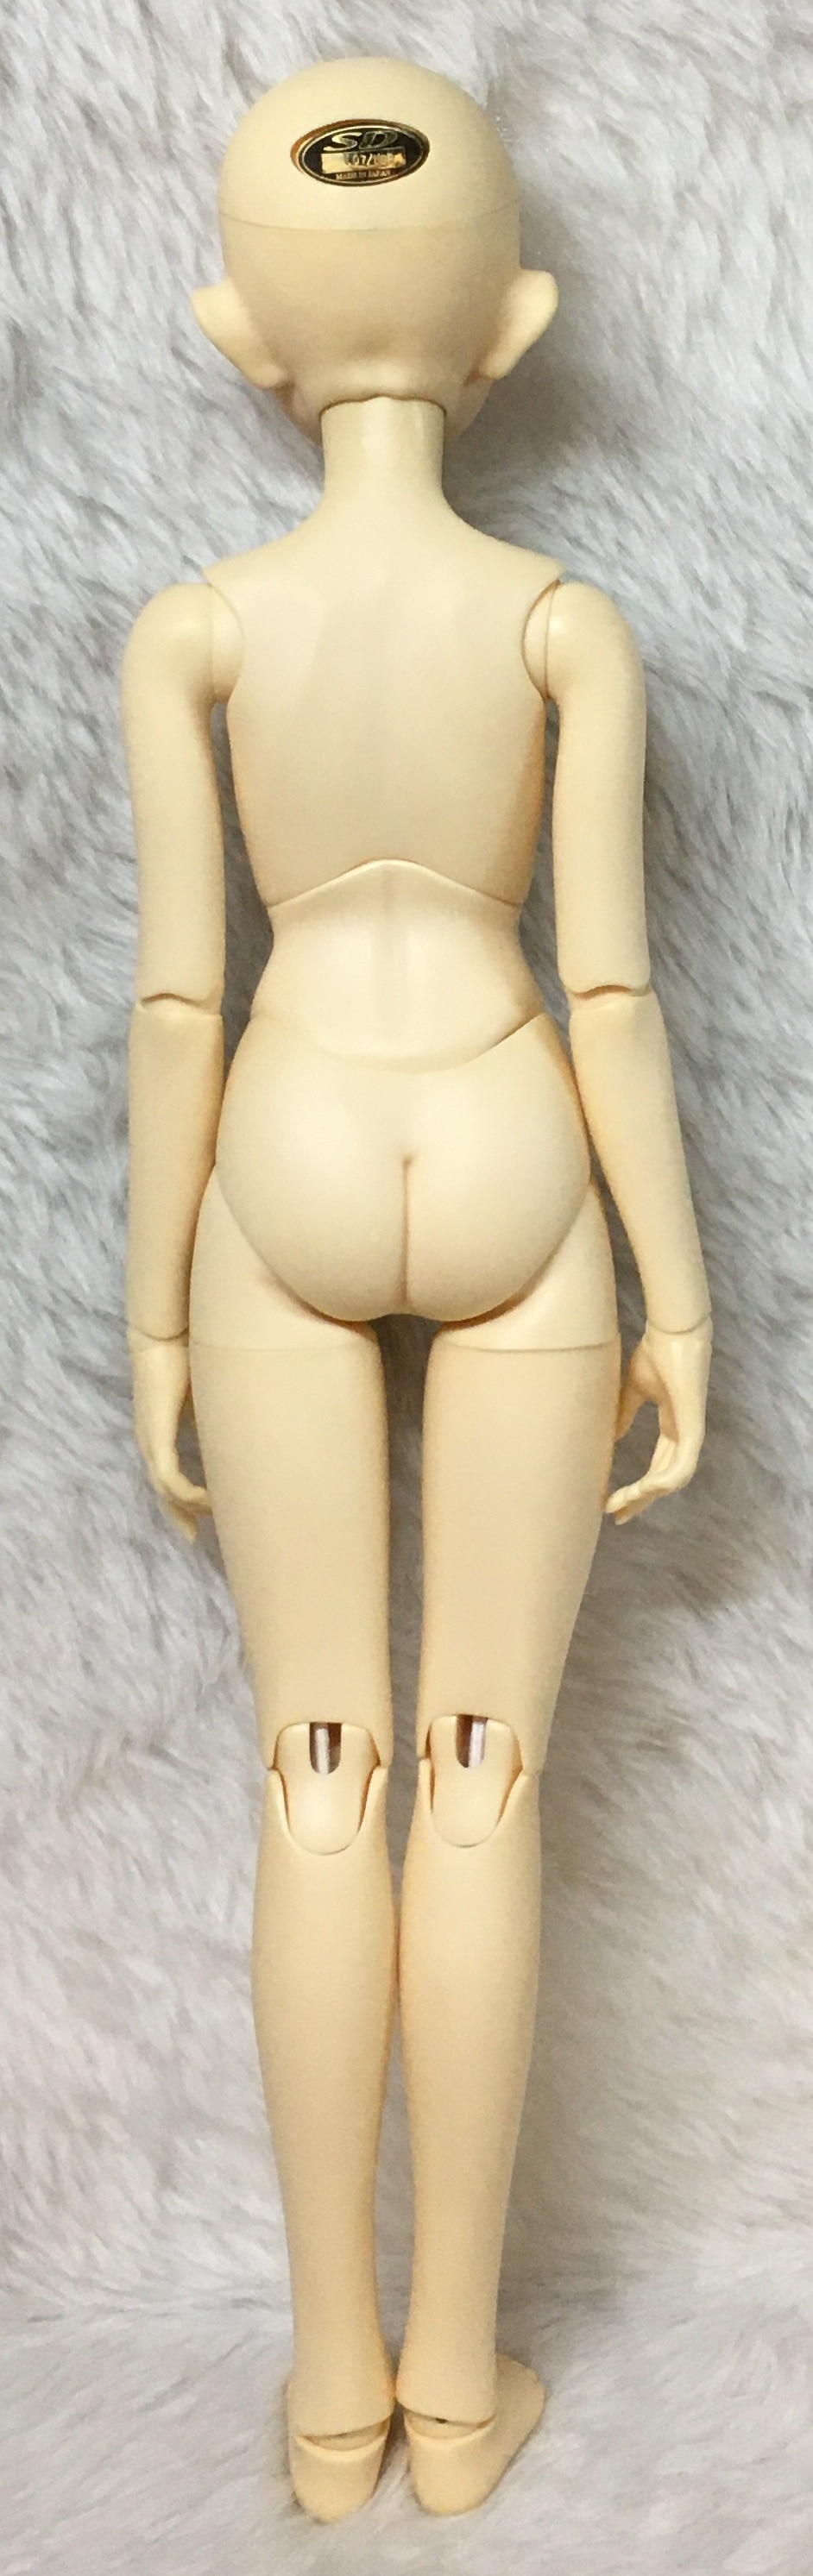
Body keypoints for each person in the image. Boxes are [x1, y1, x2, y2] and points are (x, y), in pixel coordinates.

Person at [123, 58, 711, 2521]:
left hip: (275, 1147)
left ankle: (329, 2392)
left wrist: (156, 1315)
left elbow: (178, 1002)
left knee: (319, 1767)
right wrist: (680, 1296)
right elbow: (614, 993)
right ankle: (462, 2395)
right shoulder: (562, 622)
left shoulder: (199, 629)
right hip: (507, 1136)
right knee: (482, 1771)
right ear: (515, 326)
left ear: (240, 333)